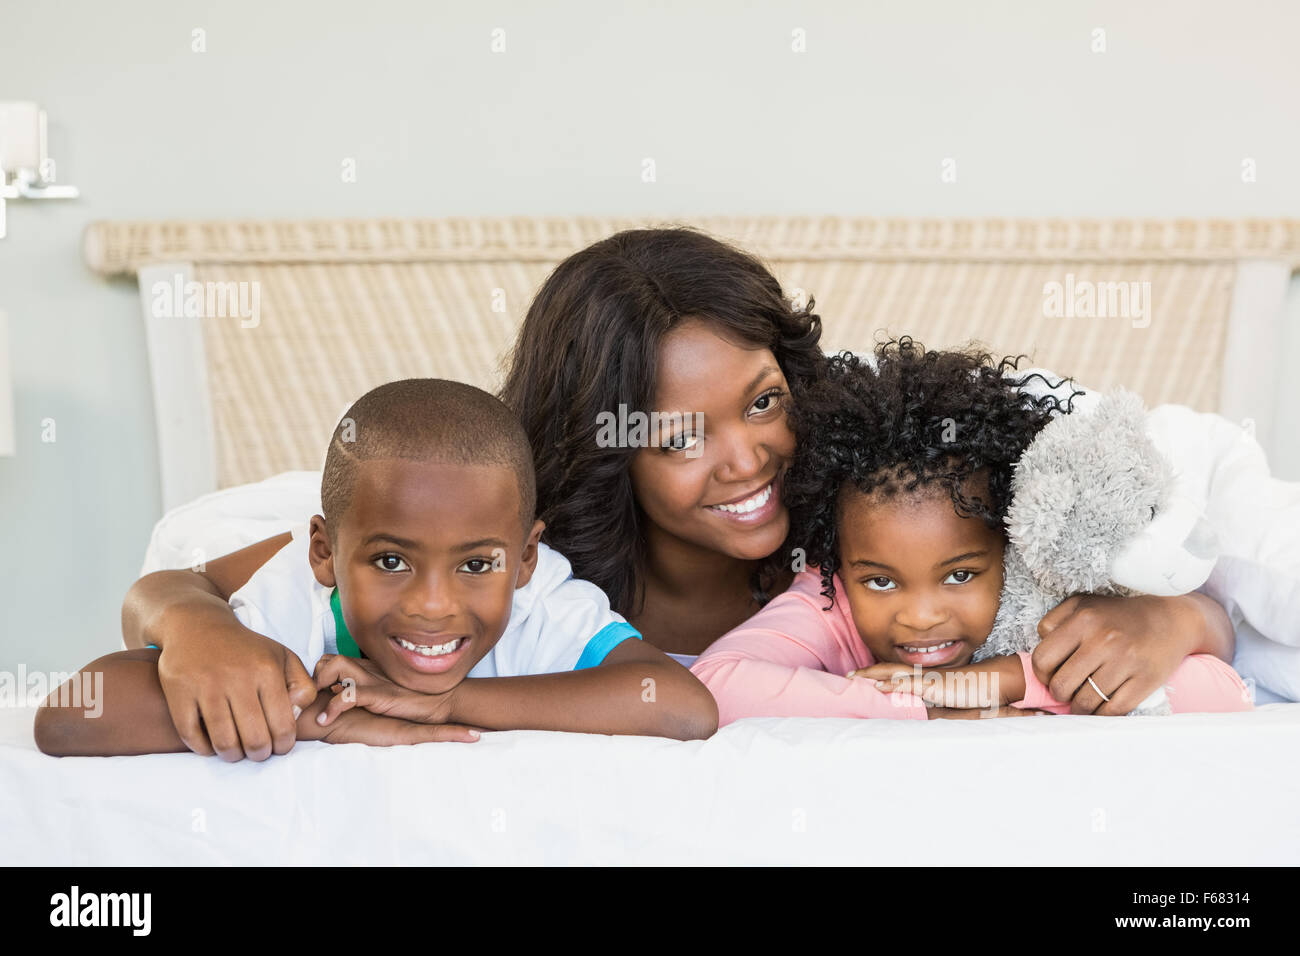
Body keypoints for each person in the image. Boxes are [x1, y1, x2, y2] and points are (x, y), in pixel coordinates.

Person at [121, 228, 1238, 759]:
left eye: (760, 401)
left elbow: (1172, 576)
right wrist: (189, 626)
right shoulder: (517, 566)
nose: (747, 457)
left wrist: (1176, 613)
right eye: (678, 434)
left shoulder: (875, 510)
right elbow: (196, 562)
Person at [35, 380, 718, 757]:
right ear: (325, 554)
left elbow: (682, 705)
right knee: (190, 565)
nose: (432, 605)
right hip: (262, 544)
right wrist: (305, 710)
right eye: (392, 560)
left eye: (476, 564)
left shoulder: (541, 601)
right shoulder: (292, 597)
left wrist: (442, 703)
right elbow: (69, 717)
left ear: (526, 558)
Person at [691, 341, 1250, 723]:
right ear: (837, 556)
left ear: (1011, 544)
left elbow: (1223, 689)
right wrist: (927, 706)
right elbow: (716, 682)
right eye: (881, 582)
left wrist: (999, 682)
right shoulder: (827, 596)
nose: (921, 615)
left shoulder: (1043, 593)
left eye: (959, 574)